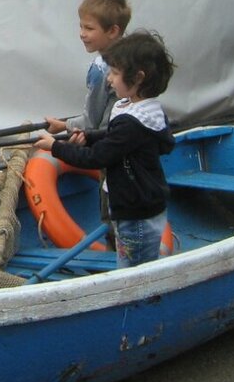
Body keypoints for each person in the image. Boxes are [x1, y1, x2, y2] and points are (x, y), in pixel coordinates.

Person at [33, 30, 176, 268]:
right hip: (139, 205)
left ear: (138, 78)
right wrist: (87, 136)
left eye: (115, 73)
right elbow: (114, 138)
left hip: (136, 213)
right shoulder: (143, 111)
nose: (109, 79)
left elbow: (97, 157)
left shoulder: (133, 122)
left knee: (134, 271)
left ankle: (135, 302)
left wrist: (55, 146)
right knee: (135, 263)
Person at [44, 0, 130, 136]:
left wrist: (64, 126)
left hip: (105, 142)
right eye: (81, 26)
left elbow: (91, 123)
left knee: (43, 154)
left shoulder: (100, 68)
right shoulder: (134, 55)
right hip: (126, 136)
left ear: (112, 31)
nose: (82, 34)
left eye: (89, 28)